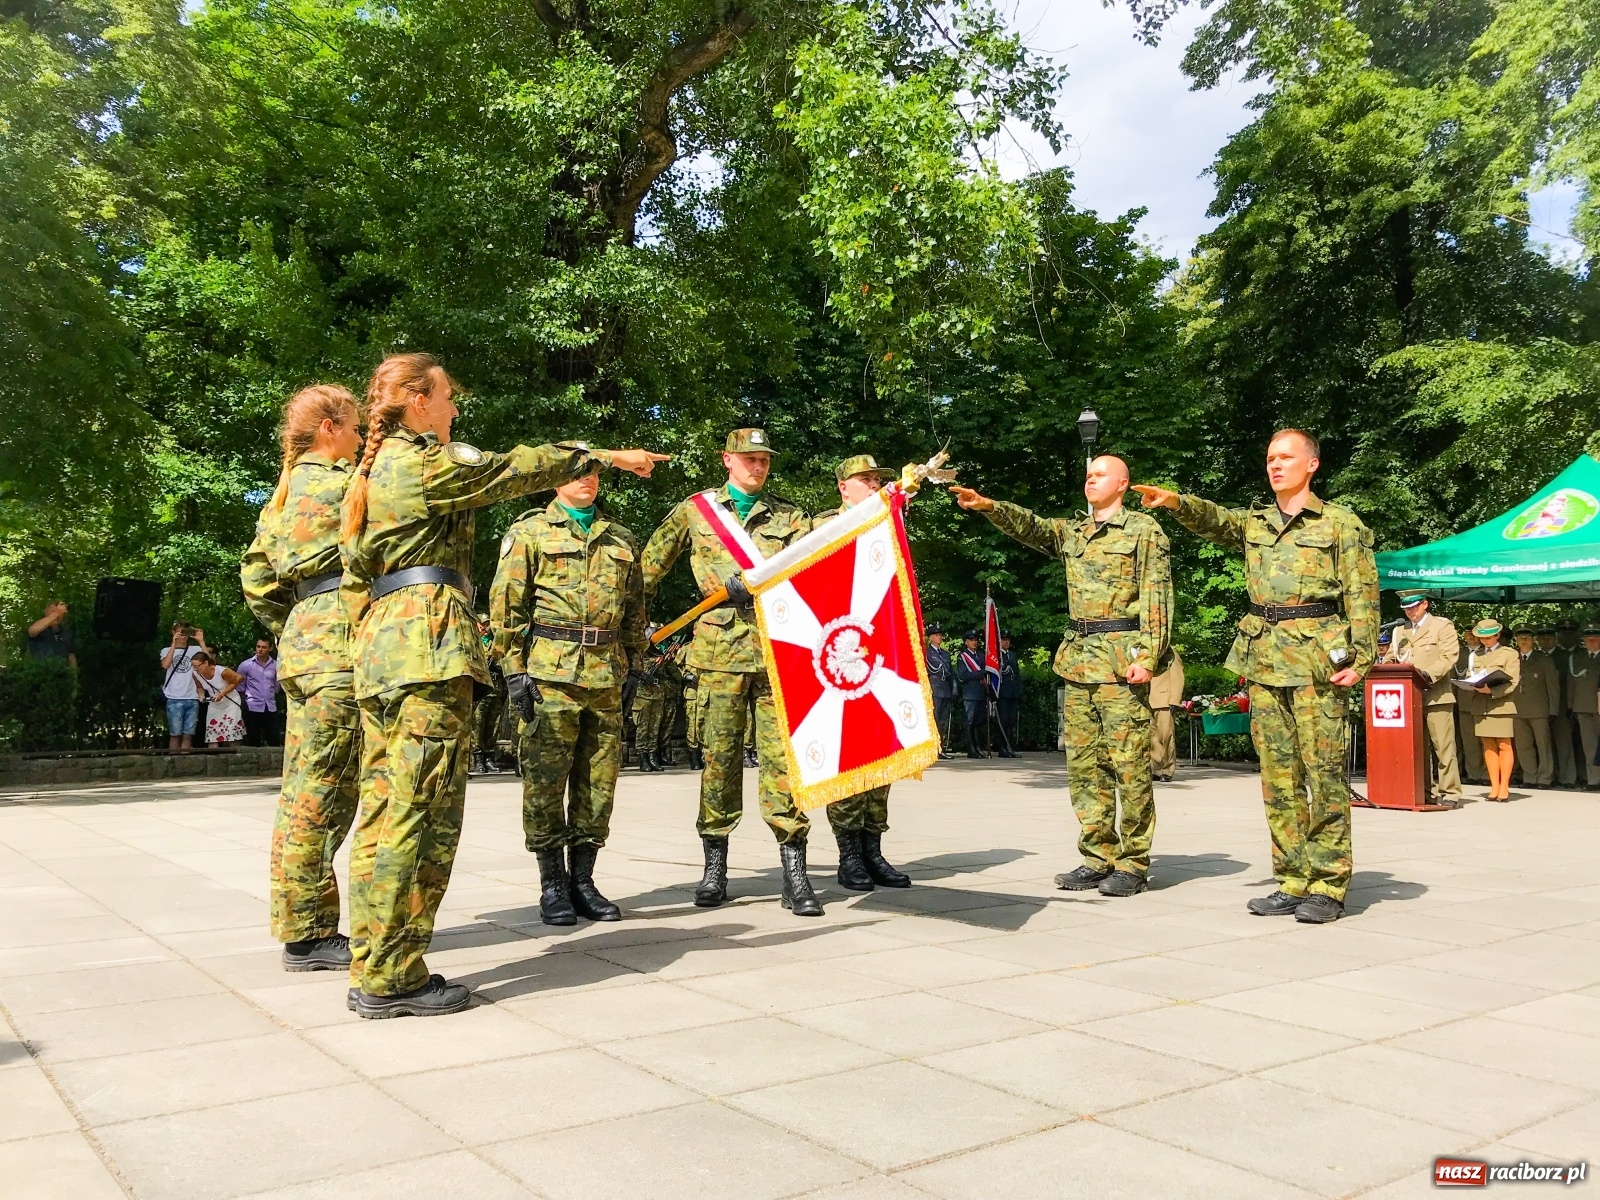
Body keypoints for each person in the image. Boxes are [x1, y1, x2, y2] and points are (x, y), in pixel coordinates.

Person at [340, 350, 665, 1018]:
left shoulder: (374, 471)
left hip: (386, 649)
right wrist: (600, 453)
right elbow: (517, 469)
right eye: (449, 396)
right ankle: (394, 976)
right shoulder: (423, 463)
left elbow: (352, 580)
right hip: (426, 649)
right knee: (418, 814)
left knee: (382, 810)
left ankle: (374, 960)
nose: (455, 409)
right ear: (419, 400)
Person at [1134, 428, 1378, 924]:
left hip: (1318, 665)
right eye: (1270, 457)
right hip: (1265, 662)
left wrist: (1362, 659)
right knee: (1278, 779)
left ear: (1312, 463)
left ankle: (1329, 885)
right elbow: (1215, 520)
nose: (1275, 465)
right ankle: (1291, 880)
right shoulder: (1257, 522)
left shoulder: (1339, 524)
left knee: (1324, 775)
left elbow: (1363, 594)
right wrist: (1177, 502)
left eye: (1286, 457)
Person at [954, 454, 1172, 898]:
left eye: (1100, 474)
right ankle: (1097, 855)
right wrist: (989, 506)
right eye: (1088, 474)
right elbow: (1032, 526)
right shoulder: (1075, 531)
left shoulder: (1144, 531)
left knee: (1128, 766)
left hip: (1120, 663)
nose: (1090, 479)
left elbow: (1157, 597)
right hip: (1079, 661)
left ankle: (1132, 862)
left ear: (1124, 483)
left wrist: (1148, 656)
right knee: (1084, 767)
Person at [640, 428, 820, 917]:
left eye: (763, 459)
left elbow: (818, 570)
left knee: (784, 764)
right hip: (718, 653)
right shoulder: (696, 511)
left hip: (779, 653)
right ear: (727, 460)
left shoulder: (791, 516)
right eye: (748, 459)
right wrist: (630, 629)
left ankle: (795, 871)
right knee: (718, 760)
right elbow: (647, 570)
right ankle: (715, 866)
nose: (757, 467)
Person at [242, 383, 365, 975]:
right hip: (340, 647)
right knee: (328, 792)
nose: (362, 438)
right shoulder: (344, 487)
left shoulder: (282, 497)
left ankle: (301, 923)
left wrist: (297, 622)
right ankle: (311, 934)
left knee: (302, 789)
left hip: (304, 645)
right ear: (328, 427)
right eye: (356, 428)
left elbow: (257, 579)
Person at [490, 466, 646, 926]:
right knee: (544, 783)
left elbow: (635, 606)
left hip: (605, 674)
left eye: (594, 475)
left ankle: (584, 880)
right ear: (556, 479)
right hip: (549, 673)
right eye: (577, 474)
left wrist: (635, 663)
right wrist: (513, 670)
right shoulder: (530, 531)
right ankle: (552, 884)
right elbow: (507, 605)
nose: (587, 481)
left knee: (599, 785)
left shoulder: (619, 537)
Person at [816, 454, 914, 892]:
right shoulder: (821, 526)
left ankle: (874, 850)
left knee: (882, 749)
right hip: (839, 653)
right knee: (848, 754)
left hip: (879, 652)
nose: (875, 485)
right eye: (866, 480)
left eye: (878, 479)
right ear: (844, 487)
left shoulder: (887, 524)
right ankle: (849, 855)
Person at [1390, 592, 1463, 808]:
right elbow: (1392, 659)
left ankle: (1450, 791)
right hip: (1408, 698)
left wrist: (1427, 675)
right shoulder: (1398, 631)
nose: (1410, 612)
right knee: (1416, 748)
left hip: (1436, 695)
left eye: (1413, 607)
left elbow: (1449, 656)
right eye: (1406, 609)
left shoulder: (1442, 626)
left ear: (1425, 604)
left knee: (1443, 747)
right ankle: (1422, 791)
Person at [1468, 620, 1520, 801]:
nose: (1485, 641)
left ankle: (1504, 786)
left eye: (1488, 638)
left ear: (1498, 636)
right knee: (1488, 745)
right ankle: (1494, 786)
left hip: (1501, 704)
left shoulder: (1509, 654)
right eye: (1482, 638)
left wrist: (1492, 691)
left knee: (1504, 745)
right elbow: (1471, 675)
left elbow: (1513, 681)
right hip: (1480, 705)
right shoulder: (1476, 655)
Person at [1510, 627, 1558, 788]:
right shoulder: (1512, 658)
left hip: (1539, 709)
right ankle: (1529, 777)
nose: (1524, 641)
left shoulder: (1543, 659)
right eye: (1520, 637)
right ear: (1516, 640)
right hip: (1517, 708)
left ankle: (1545, 778)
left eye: (1527, 637)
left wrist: (1553, 710)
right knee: (1523, 745)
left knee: (1543, 744)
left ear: (1533, 640)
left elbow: (1553, 686)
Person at [628, 640, 675, 772]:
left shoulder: (660, 653)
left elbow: (669, 676)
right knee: (643, 729)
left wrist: (667, 662)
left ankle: (652, 756)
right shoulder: (639, 653)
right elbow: (636, 671)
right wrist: (653, 663)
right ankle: (643, 759)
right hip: (643, 697)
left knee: (654, 728)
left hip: (658, 695)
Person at [160, 623, 208, 751]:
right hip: (174, 697)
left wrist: (201, 641)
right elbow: (165, 665)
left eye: (186, 633)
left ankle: (185, 762)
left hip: (192, 696)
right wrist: (174, 644)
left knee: (188, 735)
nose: (183, 636)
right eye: (180, 633)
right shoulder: (166, 650)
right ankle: (174, 762)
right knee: (175, 734)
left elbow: (208, 662)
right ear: (174, 632)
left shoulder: (195, 650)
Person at [1539, 627, 1578, 787]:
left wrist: (1570, 706)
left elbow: (1571, 682)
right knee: (1544, 744)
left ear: (1555, 639)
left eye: (1549, 637)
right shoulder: (1535, 657)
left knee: (1564, 743)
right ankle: (1548, 776)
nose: (1546, 640)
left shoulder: (1565, 657)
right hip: (1539, 706)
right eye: (1542, 638)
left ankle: (1568, 778)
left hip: (1561, 705)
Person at [470, 615, 507, 774]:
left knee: (493, 724)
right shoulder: (474, 641)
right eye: (482, 624)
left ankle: (489, 757)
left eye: (487, 624)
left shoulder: (495, 643)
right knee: (478, 725)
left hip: (496, 688)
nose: (484, 628)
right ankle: (478, 758)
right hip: (481, 688)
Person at [1568, 627, 1600, 788]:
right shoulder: (1577, 658)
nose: (1591, 642)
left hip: (1599, 706)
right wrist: (1571, 706)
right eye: (1588, 639)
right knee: (1589, 746)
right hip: (1583, 707)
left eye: (1594, 638)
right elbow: (1572, 683)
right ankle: (1594, 780)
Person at [1456, 629, 1488, 785]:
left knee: (1485, 740)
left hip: (1483, 701)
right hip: (1463, 702)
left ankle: (1487, 774)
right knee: (1469, 742)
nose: (1472, 637)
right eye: (1468, 634)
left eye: (1475, 634)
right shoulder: (1458, 654)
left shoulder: (1486, 653)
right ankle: (1473, 774)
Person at [236, 638, 281, 747]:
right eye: (258, 646)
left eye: (264, 647)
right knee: (253, 739)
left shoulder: (276, 665)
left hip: (270, 706)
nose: (260, 650)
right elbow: (240, 686)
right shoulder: (246, 665)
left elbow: (277, 684)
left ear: (270, 648)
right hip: (252, 706)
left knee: (273, 738)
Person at [193, 652, 246, 746]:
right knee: (212, 733)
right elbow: (199, 686)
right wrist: (201, 695)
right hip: (215, 704)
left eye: (197, 666)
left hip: (230, 702)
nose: (195, 669)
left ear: (206, 663)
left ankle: (235, 755)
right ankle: (213, 755)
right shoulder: (196, 674)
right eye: (193, 666)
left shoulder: (221, 671)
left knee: (231, 732)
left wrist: (222, 694)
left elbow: (234, 682)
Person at [1149, 648, 1184, 783]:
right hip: (1149, 700)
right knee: (1153, 738)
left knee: (1166, 736)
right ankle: (1156, 768)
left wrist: (1175, 700)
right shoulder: (1146, 650)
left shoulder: (1170, 652)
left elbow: (1178, 677)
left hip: (1164, 700)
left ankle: (1167, 770)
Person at [954, 629, 988, 758]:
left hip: (980, 692)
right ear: (966, 642)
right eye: (971, 640)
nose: (974, 642)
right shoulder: (962, 657)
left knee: (979, 722)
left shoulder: (980, 656)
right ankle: (971, 749)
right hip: (970, 693)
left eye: (975, 640)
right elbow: (963, 675)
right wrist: (981, 673)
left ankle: (978, 747)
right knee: (970, 722)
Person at [926, 624, 957, 759]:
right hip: (934, 687)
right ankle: (932, 748)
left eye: (940, 635)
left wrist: (954, 687)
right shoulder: (926, 653)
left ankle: (941, 747)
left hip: (945, 689)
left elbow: (950, 672)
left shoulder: (945, 654)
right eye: (937, 635)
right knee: (934, 719)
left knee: (943, 721)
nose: (939, 637)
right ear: (931, 637)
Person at [26, 601, 77, 670]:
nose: (57, 615)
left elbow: (71, 654)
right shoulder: (39, 627)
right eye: (53, 611)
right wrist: (56, 613)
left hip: (62, 674)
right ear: (46, 612)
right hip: (42, 672)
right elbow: (32, 631)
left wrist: (73, 676)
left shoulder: (66, 631)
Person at [996, 631, 1022, 757]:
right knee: (1004, 720)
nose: (1006, 642)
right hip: (1002, 692)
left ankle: (1009, 746)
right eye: (1004, 640)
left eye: (1008, 640)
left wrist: (1019, 690)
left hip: (1012, 691)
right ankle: (1002, 747)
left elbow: (1017, 674)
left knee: (1011, 721)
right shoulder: (997, 656)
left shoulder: (1012, 655)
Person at [681, 666, 704, 770]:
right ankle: (693, 757)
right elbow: (676, 667)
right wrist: (687, 676)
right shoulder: (687, 650)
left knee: (704, 726)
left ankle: (702, 755)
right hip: (692, 694)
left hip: (705, 694)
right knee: (692, 726)